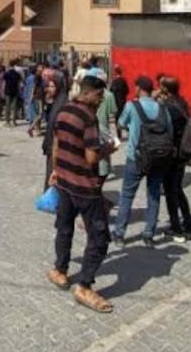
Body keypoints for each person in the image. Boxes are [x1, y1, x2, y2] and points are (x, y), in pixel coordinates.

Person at [46, 75, 115, 313]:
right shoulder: (88, 118)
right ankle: (84, 286)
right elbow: (91, 158)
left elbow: (55, 145)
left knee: (64, 227)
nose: (101, 99)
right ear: (87, 93)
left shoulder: (64, 110)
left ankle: (60, 270)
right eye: (99, 94)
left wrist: (55, 171)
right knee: (99, 237)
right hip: (85, 188)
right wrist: (108, 149)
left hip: (64, 181)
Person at [113, 76, 171, 247]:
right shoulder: (162, 108)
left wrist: (132, 127)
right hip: (158, 157)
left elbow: (120, 124)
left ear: (138, 88)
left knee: (127, 195)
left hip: (136, 157)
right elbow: (169, 130)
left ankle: (119, 233)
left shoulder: (132, 106)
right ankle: (149, 235)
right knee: (153, 195)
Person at [157, 75, 191, 241]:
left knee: (170, 191)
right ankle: (189, 225)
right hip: (183, 152)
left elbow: (163, 128)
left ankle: (176, 228)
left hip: (172, 154)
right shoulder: (183, 102)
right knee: (178, 189)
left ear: (165, 88)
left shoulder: (168, 106)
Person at [41, 77, 68, 191]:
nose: (49, 89)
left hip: (56, 146)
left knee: (53, 174)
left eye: (52, 86)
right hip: (51, 144)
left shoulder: (62, 102)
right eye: (48, 86)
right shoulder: (56, 101)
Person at [3, 60, 22, 127]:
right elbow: (19, 81)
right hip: (15, 91)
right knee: (14, 107)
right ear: (14, 65)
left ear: (9, 65)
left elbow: (4, 80)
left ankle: (7, 121)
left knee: (7, 107)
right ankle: (13, 121)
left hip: (8, 91)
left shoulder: (6, 73)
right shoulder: (17, 73)